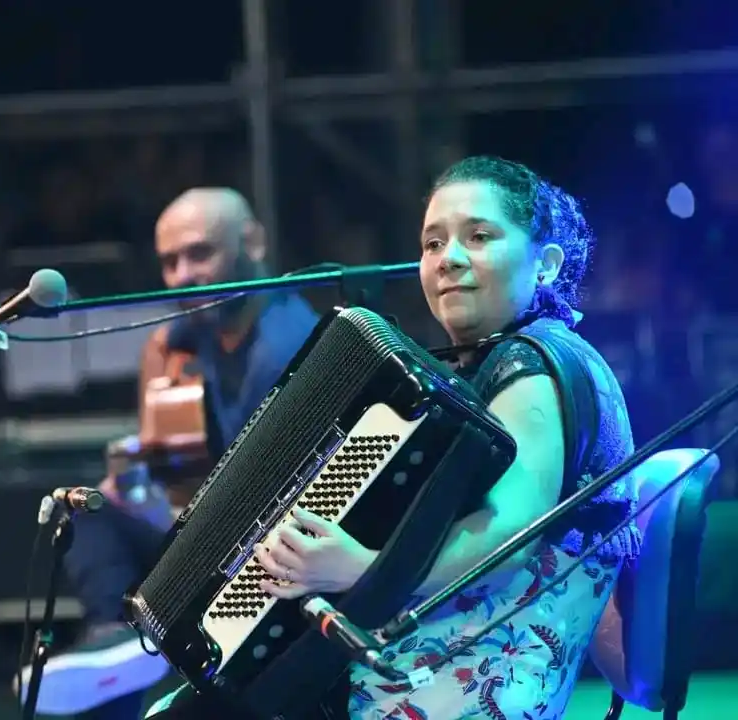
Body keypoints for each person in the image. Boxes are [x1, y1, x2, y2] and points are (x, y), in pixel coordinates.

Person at [146, 156, 641, 720]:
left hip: (475, 673)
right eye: (433, 244)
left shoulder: (533, 367)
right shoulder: (516, 360)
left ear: (546, 264)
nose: (448, 259)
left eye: (479, 236)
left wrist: (362, 567)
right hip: (452, 648)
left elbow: (510, 535)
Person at [16, 187, 321, 718]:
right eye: (169, 262)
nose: (183, 275)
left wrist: (170, 509)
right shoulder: (202, 327)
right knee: (87, 509)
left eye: (200, 254)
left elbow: (268, 491)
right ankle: (114, 638)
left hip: (257, 552)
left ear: (252, 242)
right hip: (199, 521)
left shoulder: (285, 344)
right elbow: (164, 356)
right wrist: (140, 470)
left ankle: (128, 653)